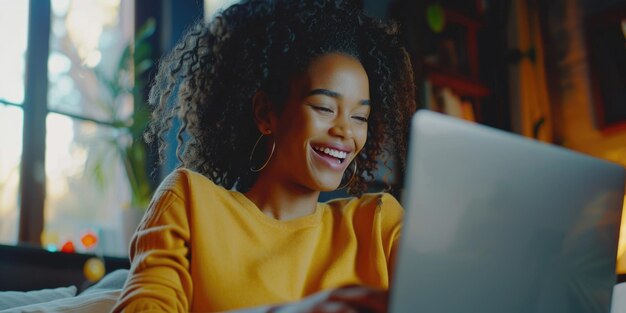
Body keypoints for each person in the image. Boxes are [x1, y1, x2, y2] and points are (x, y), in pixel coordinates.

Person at [113, 0, 416, 312]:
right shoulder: (190, 202)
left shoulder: (380, 223)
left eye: (360, 117)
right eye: (324, 108)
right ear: (266, 113)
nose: (345, 132)